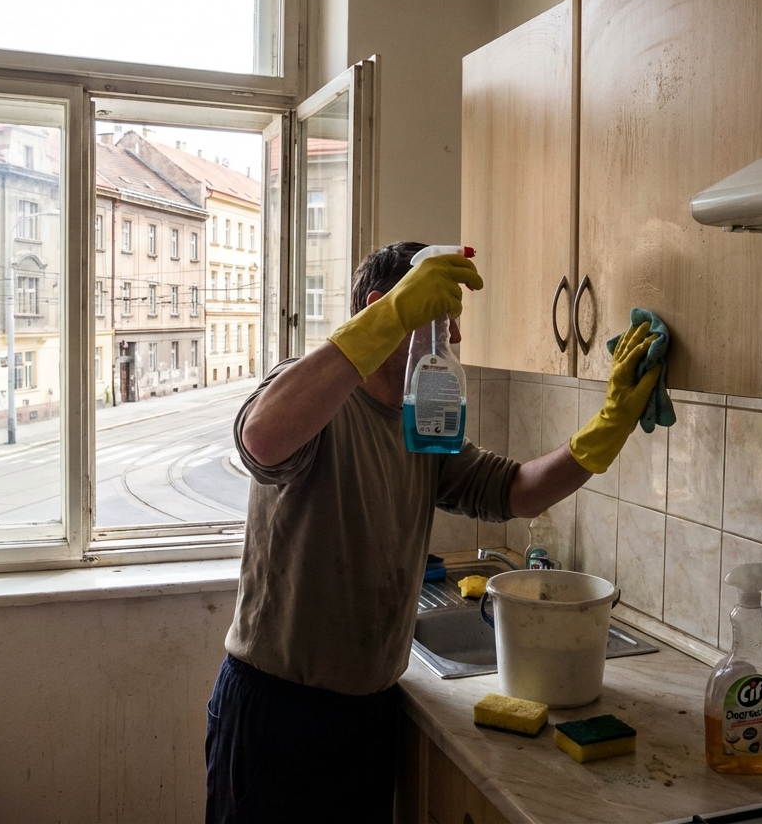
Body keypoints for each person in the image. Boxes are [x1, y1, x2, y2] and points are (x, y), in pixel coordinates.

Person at [205, 241, 659, 823]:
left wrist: (608, 424)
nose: (457, 341)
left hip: (368, 716)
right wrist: (393, 315)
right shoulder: (317, 397)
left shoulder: (420, 424)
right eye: (443, 322)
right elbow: (262, 440)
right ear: (382, 306)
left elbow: (516, 491)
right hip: (280, 713)